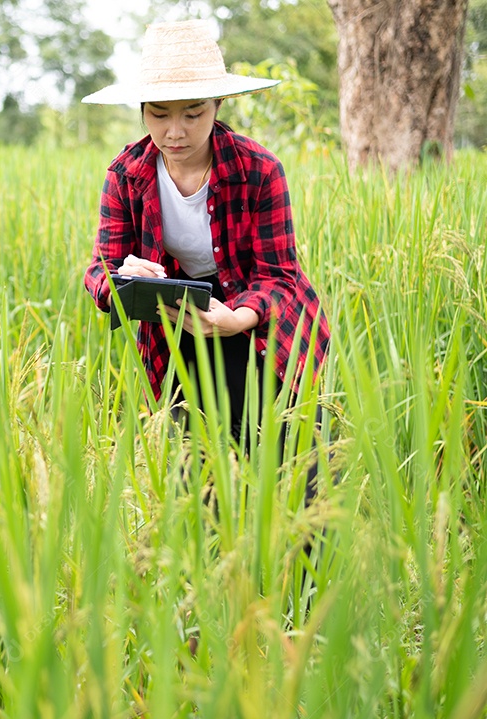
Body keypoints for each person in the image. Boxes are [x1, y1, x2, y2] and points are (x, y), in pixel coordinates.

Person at [82, 20, 330, 443]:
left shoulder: (259, 170)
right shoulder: (127, 175)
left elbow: (280, 276)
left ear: (217, 107)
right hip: (179, 320)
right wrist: (124, 281)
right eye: (158, 115)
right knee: (198, 467)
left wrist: (238, 319)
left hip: (259, 320)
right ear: (142, 110)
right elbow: (99, 268)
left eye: (193, 114)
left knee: (287, 457)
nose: (174, 132)